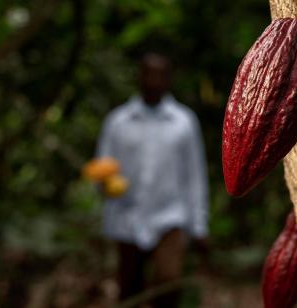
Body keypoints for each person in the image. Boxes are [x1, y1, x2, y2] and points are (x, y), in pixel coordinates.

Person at [95, 52, 208, 307]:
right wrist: (104, 186)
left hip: (170, 217)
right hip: (126, 217)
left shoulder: (184, 122)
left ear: (169, 79)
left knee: (168, 285)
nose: (154, 82)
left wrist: (198, 224)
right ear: (139, 77)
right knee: (130, 289)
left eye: (161, 75)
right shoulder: (117, 122)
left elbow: (194, 175)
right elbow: (102, 168)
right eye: (149, 74)